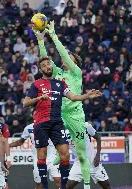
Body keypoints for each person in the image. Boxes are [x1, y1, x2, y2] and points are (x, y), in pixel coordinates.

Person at [23, 57, 101, 189]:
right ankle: (45, 186)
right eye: (44, 65)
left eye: (49, 64)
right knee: (42, 156)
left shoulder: (60, 83)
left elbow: (74, 97)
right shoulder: (36, 84)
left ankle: (63, 187)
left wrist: (86, 96)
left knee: (65, 154)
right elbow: (25, 103)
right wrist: (39, 98)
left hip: (57, 122)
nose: (48, 66)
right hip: (41, 123)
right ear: (41, 69)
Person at [34, 21, 92, 188]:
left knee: (81, 154)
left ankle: (87, 185)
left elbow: (64, 54)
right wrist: (40, 40)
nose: (65, 57)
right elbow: (45, 60)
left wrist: (53, 34)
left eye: (69, 56)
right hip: (59, 115)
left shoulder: (76, 73)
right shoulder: (57, 73)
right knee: (61, 150)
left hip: (75, 116)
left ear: (74, 61)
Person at [9, 122, 61, 189]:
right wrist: (8, 145)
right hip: (38, 159)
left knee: (59, 181)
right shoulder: (29, 128)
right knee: (39, 184)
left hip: (52, 158)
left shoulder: (52, 125)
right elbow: (20, 142)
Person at [67, 122, 111, 189]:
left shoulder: (86, 126)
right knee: (68, 186)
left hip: (93, 162)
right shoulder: (65, 132)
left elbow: (98, 137)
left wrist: (98, 155)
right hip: (79, 164)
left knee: (107, 186)